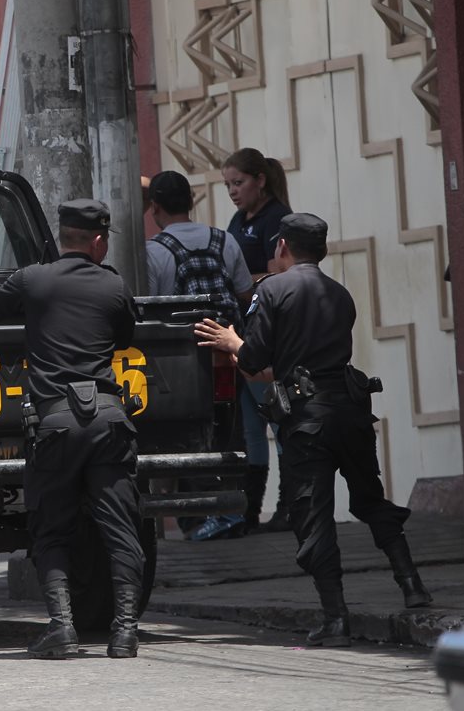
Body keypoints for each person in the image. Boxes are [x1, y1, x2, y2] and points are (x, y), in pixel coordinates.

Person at [193, 213, 433, 647]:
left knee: (313, 516)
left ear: (282, 246)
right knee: (370, 499)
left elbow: (255, 359)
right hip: (350, 410)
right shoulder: (339, 293)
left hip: (307, 421)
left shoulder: (272, 290)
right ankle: (412, 584)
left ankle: (336, 618)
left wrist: (232, 343)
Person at [0, 198, 144, 660]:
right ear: (98, 241)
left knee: (51, 529)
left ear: (62, 237)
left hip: (54, 423)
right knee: (121, 529)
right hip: (109, 421)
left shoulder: (32, 279)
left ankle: (62, 628)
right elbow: (125, 337)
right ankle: (126, 632)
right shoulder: (114, 285)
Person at [144, 170, 253, 540]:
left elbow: (151, 307)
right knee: (232, 431)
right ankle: (234, 510)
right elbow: (244, 292)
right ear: (191, 201)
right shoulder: (225, 240)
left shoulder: (155, 250)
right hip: (227, 351)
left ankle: (198, 518)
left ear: (154, 207)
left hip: (182, 361)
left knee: (184, 433)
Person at [221, 148, 293, 534]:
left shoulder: (275, 218)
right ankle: (250, 510)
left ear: (260, 180)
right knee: (251, 427)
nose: (233, 191)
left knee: (279, 420)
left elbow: (277, 274)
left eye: (239, 183)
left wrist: (243, 285)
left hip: (266, 332)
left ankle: (290, 505)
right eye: (228, 185)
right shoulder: (238, 220)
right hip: (242, 332)